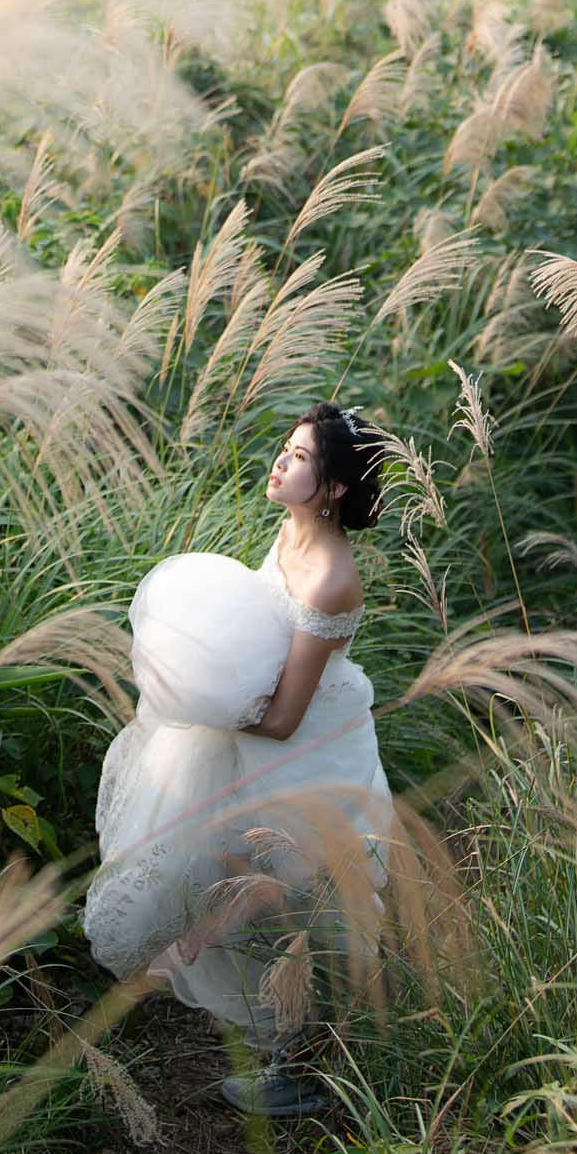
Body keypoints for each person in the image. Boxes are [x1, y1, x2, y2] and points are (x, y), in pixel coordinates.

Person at [81, 399, 396, 1116]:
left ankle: (313, 1064)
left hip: (302, 754)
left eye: (301, 458)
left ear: (335, 487)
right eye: (286, 448)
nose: (281, 462)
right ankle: (286, 1042)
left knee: (300, 899)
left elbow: (283, 719)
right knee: (239, 888)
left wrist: (199, 701)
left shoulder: (332, 577)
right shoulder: (290, 532)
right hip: (243, 743)